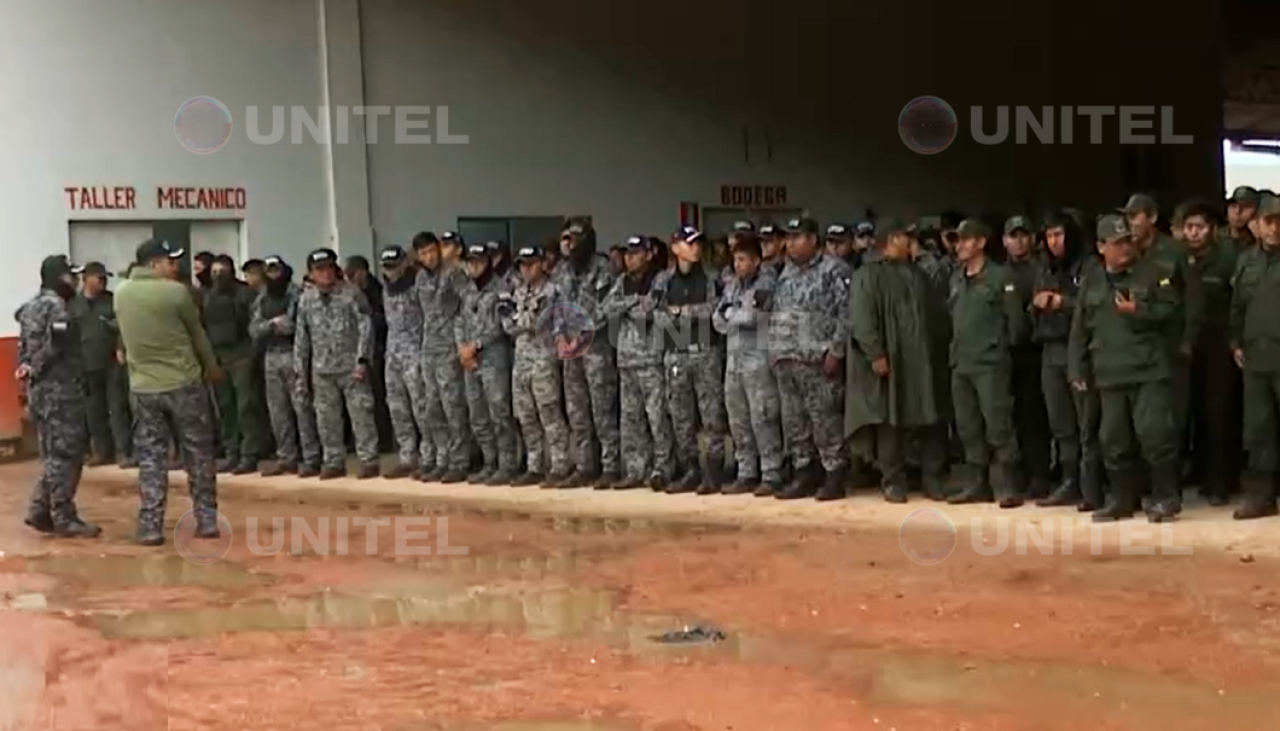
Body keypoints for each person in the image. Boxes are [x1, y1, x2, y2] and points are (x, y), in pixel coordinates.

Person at [1069, 214, 1180, 522]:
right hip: (1108, 372)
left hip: (1147, 369)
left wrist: (1139, 311)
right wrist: (1076, 368)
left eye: (1127, 241)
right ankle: (1122, 500)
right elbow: (1080, 327)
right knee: (1113, 440)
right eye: (1116, 244)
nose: (1124, 249)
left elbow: (1172, 313)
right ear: (1101, 247)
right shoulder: (1091, 279)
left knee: (1155, 435)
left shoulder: (1152, 274)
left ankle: (1166, 497)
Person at [114, 239, 223, 545]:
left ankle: (151, 525)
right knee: (198, 454)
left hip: (144, 388)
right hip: (183, 383)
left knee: (151, 458)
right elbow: (197, 336)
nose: (175, 267)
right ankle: (206, 520)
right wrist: (212, 368)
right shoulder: (176, 293)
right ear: (153, 264)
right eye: (170, 261)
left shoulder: (121, 293)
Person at [847, 218, 950, 503]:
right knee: (890, 419)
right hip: (891, 359)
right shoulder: (868, 275)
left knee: (931, 418)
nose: (912, 243)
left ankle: (932, 478)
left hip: (923, 362)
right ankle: (892, 480)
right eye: (907, 237)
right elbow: (862, 319)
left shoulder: (920, 273)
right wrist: (875, 353)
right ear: (892, 239)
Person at [945, 219, 1028, 508]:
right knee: (968, 426)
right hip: (962, 362)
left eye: (967, 240)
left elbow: (1016, 324)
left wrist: (1001, 349)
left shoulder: (999, 276)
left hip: (991, 362)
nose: (960, 246)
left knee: (999, 424)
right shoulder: (956, 278)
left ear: (981, 242)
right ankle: (976, 483)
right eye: (958, 240)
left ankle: (1008, 485)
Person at [16, 255, 100, 537]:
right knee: (68, 454)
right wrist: (37, 367)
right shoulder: (59, 309)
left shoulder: (28, 308)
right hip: (60, 390)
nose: (74, 281)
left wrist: (28, 370)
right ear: (58, 277)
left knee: (53, 454)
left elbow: (24, 350)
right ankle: (64, 516)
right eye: (70, 276)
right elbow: (56, 347)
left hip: (39, 393)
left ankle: (40, 509)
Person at [770, 217, 851, 501]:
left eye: (798, 236)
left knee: (825, 420)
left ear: (813, 240)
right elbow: (779, 313)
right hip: (787, 359)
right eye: (788, 237)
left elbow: (847, 313)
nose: (791, 242)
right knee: (795, 422)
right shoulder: (786, 273)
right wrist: (775, 351)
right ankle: (804, 473)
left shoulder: (834, 269)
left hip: (818, 360)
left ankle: (834, 475)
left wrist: (837, 350)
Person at [1124, 193, 1201, 478]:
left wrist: (1188, 340)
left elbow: (1193, 298)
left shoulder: (1174, 252)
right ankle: (1145, 479)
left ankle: (1172, 478)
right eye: (1127, 217)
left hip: (1171, 346)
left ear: (1152, 218)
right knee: (1142, 419)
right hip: (1138, 349)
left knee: (1173, 417)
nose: (1130, 223)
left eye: (1135, 216)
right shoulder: (1126, 252)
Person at [1032, 213, 1102, 509]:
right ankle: (1069, 480)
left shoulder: (1088, 266)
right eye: (1049, 236)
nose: (1054, 241)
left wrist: (1064, 303)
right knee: (1061, 423)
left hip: (1080, 351)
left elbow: (1095, 306)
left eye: (1059, 234)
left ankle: (1093, 486)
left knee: (1087, 422)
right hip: (1050, 349)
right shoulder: (1045, 268)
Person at [652, 226, 729, 493]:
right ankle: (690, 469)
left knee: (711, 414)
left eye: (697, 243)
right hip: (675, 353)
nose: (695, 248)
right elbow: (654, 314)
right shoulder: (663, 280)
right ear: (675, 248)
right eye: (689, 243)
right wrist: (682, 317)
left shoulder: (711, 278)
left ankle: (714, 470)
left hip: (705, 351)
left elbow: (715, 311)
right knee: (680, 415)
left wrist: (681, 313)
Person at [294, 248, 379, 479]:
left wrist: (363, 360)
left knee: (361, 414)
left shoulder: (352, 294)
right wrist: (301, 371)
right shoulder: (306, 299)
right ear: (311, 273)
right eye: (320, 269)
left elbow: (366, 328)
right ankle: (333, 461)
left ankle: (368, 460)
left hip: (351, 366)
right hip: (321, 370)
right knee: (326, 419)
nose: (326, 273)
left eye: (329, 268)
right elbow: (302, 337)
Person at [1181, 200, 1243, 505]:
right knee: (1195, 414)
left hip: (1219, 346)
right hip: (1188, 346)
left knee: (1219, 414)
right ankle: (1201, 474)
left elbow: (1238, 303)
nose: (1193, 233)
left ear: (1213, 230)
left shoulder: (1227, 260)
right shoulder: (1179, 261)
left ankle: (1222, 481)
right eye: (1189, 227)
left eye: (1200, 227)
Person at [601, 236, 675, 490]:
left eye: (635, 254)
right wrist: (632, 301)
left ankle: (662, 468)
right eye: (627, 254)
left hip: (650, 358)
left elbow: (650, 310)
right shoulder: (623, 281)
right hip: (626, 358)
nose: (630, 259)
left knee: (656, 417)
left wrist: (631, 307)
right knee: (630, 418)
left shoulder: (660, 278)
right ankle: (635, 469)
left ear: (648, 254)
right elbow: (607, 308)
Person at [714, 232, 783, 496]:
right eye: (735, 260)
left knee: (763, 416)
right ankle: (746, 472)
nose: (738, 265)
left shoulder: (766, 281)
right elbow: (716, 320)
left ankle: (771, 472)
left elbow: (754, 316)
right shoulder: (733, 285)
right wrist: (733, 313)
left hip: (758, 361)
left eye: (743, 259)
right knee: (738, 418)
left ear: (756, 260)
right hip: (734, 360)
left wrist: (731, 313)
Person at [553, 219, 622, 488]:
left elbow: (607, 308)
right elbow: (558, 306)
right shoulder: (562, 271)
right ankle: (584, 466)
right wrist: (559, 335)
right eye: (566, 240)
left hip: (596, 349)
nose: (569, 245)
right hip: (571, 352)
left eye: (574, 240)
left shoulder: (605, 269)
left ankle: (611, 466)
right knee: (577, 411)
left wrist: (582, 335)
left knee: (603, 409)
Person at [501, 244, 571, 486]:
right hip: (521, 359)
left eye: (531, 263)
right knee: (525, 415)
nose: (527, 269)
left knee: (549, 412)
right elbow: (507, 325)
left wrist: (523, 319)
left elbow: (548, 322)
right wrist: (527, 319)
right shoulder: (515, 291)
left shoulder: (554, 290)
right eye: (523, 264)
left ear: (542, 263)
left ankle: (560, 464)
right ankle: (535, 465)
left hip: (543, 358)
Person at [1229, 193, 1280, 519]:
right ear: (1256, 226)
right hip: (1256, 358)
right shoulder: (1246, 261)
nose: (1276, 228)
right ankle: (1261, 496)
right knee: (1258, 429)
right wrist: (1235, 342)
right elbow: (1237, 306)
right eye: (1270, 222)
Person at [250, 256, 321, 476]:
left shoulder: (296, 294)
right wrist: (272, 324)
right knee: (277, 411)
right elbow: (254, 330)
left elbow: (292, 326)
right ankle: (286, 458)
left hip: (294, 354)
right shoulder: (262, 298)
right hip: (271, 356)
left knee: (302, 408)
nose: (273, 274)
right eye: (269, 270)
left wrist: (271, 326)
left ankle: (311, 457)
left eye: (276, 269)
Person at [457, 242, 520, 484]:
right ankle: (489, 461)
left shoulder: (501, 289)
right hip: (470, 361)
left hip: (493, 358)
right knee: (478, 414)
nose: (473, 267)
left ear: (489, 263)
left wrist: (476, 345)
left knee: (499, 413)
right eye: (470, 262)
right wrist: (462, 349)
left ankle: (507, 464)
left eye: (478, 262)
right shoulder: (467, 290)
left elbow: (501, 326)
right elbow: (460, 321)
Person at [1002, 215, 1054, 498]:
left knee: (1036, 417)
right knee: (1012, 418)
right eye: (1013, 236)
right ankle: (1016, 475)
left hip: (1036, 352)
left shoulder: (1042, 270)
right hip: (1006, 355)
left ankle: (1040, 474)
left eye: (1023, 235)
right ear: (1004, 240)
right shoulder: (999, 273)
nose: (1018, 241)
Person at [414, 231, 471, 482]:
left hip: (449, 347)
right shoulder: (419, 278)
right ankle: (442, 458)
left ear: (439, 249)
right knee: (432, 407)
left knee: (453, 406)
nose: (428, 257)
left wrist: (463, 342)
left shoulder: (453, 274)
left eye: (431, 250)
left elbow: (468, 305)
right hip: (429, 348)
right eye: (423, 253)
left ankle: (460, 461)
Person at [203, 254, 264, 474]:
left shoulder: (245, 295)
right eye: (215, 273)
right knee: (226, 409)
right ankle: (232, 453)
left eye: (222, 272)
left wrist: (252, 356)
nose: (218, 276)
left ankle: (249, 455)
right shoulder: (208, 297)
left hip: (241, 357)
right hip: (220, 358)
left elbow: (255, 327)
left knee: (246, 408)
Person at [375, 244, 430, 479]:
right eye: (387, 268)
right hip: (393, 353)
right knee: (397, 407)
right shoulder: (386, 288)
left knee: (422, 407)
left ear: (405, 263)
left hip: (415, 351)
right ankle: (407, 456)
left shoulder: (419, 283)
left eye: (395, 266)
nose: (391, 272)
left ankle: (429, 456)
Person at [71, 261, 133, 467]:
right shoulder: (74, 304)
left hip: (111, 362)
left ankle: (122, 451)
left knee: (117, 408)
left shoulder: (112, 301)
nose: (103, 282)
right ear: (85, 279)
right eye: (99, 278)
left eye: (105, 279)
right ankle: (101, 451)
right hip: (87, 364)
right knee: (93, 410)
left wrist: (120, 347)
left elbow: (123, 327)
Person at [345, 254, 392, 453]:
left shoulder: (377, 291)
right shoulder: (351, 293)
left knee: (378, 397)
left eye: (353, 273)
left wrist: (370, 318)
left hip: (378, 349)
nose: (351, 277)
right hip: (358, 351)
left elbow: (384, 320)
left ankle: (384, 440)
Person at [1224, 186, 1259, 251]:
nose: (1238, 211)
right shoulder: (1214, 237)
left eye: (1246, 206)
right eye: (1233, 206)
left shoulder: (1264, 241)